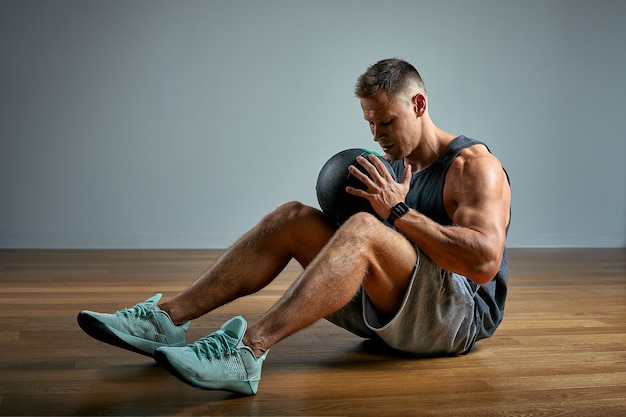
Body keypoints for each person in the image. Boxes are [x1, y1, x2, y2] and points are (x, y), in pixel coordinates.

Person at [78, 58, 511, 396]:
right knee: (295, 217)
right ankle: (167, 319)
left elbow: (484, 262)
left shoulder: (473, 168)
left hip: (454, 321)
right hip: (386, 316)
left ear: (418, 105)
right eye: (369, 123)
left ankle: (247, 353)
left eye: (386, 121)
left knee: (364, 227)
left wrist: (397, 214)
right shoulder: (393, 166)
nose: (376, 134)